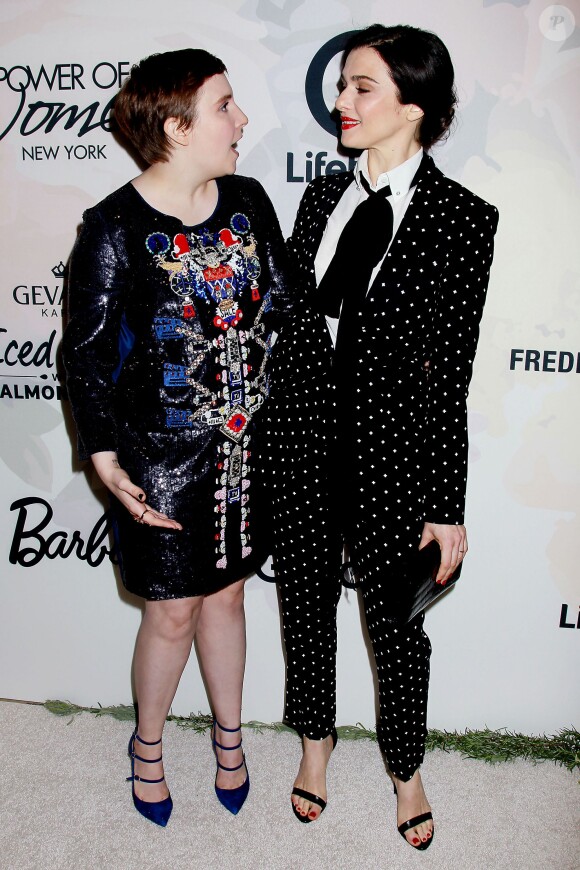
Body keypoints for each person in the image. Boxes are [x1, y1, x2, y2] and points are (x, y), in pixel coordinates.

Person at [264, 24, 498, 848]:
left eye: (361, 87)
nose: (342, 102)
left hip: (394, 457)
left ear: (415, 105)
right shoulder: (321, 197)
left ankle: (405, 766)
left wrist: (445, 504)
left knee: (397, 626)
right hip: (299, 444)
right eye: (342, 86)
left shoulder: (464, 220)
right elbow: (296, 319)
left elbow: (450, 373)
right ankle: (315, 741)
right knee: (305, 607)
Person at [62, 48, 289, 826]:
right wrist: (102, 457)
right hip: (159, 462)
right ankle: (148, 748)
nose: (241, 120)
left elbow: (284, 310)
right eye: (225, 105)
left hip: (244, 454)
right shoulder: (114, 227)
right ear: (176, 124)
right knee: (171, 612)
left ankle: (231, 738)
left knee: (228, 598)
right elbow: (86, 352)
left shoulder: (250, 201)